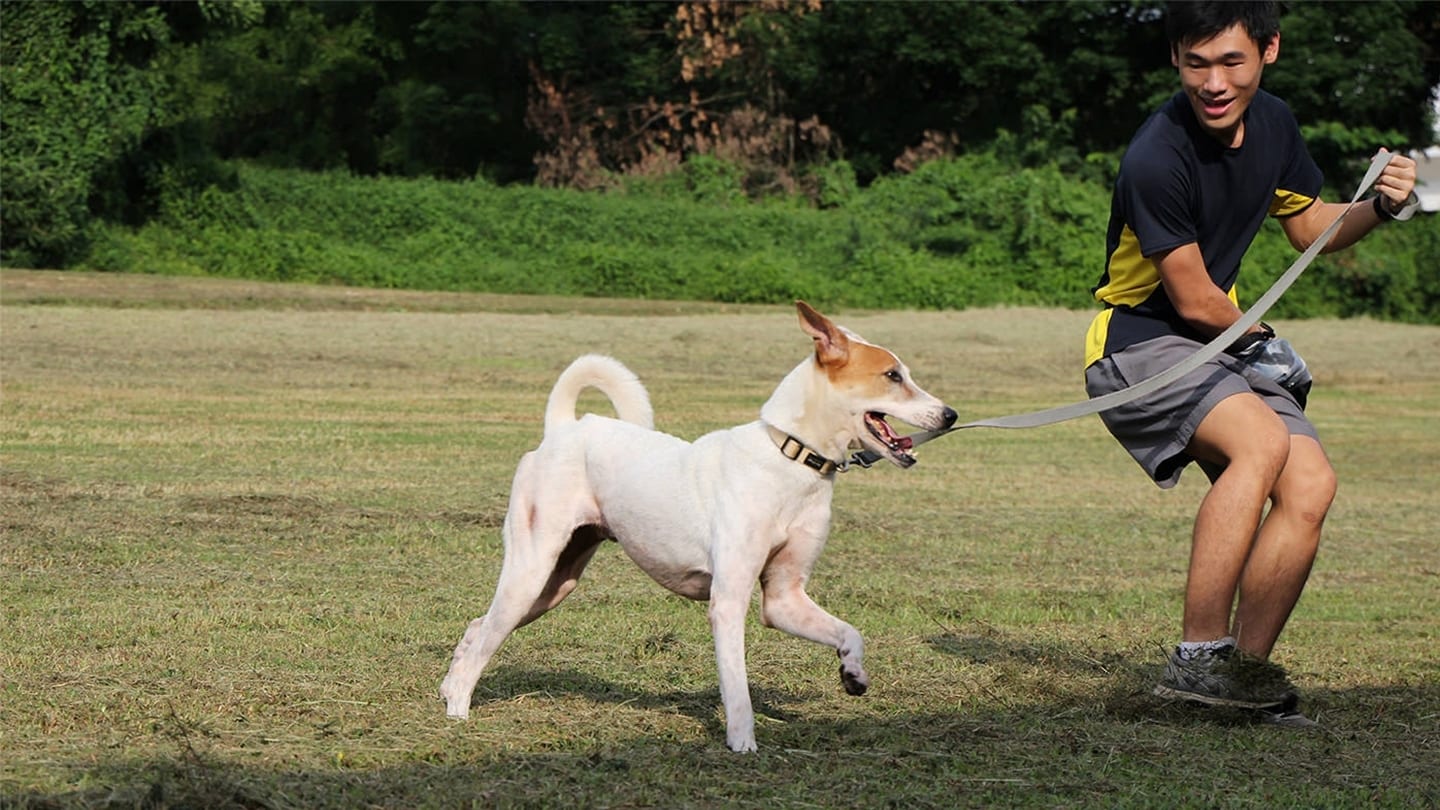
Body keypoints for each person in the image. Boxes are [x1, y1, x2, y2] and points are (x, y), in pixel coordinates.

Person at [1083, 1, 1418, 724]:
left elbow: (1312, 230)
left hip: (1221, 343)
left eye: (1231, 61)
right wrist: (1263, 340)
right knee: (1262, 446)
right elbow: (1195, 298)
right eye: (1196, 63)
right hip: (1141, 345)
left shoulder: (1274, 125)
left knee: (1311, 484)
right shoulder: (1156, 154)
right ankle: (1198, 657)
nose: (1213, 82)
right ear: (1175, 58)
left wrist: (1384, 208)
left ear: (1269, 50)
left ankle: (1243, 681)